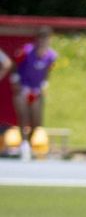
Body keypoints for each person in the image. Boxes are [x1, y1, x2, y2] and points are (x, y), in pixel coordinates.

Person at [2, 26, 57, 159]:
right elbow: (14, 65)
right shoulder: (26, 51)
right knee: (23, 117)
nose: (43, 42)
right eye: (41, 38)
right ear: (37, 39)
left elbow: (48, 70)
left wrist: (44, 83)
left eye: (46, 39)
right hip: (23, 88)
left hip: (36, 90)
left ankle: (30, 142)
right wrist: (15, 81)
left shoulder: (51, 56)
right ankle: (24, 144)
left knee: (37, 121)